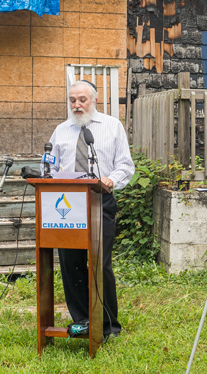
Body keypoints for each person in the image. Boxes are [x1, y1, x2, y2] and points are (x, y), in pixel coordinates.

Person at [46, 80, 135, 338]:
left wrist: (111, 180)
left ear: (94, 101)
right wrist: (49, 177)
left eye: (82, 100)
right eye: (72, 100)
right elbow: (49, 165)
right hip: (66, 208)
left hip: (100, 202)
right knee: (71, 264)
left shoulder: (111, 127)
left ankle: (109, 325)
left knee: (100, 264)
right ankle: (83, 320)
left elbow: (125, 166)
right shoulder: (61, 131)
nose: (76, 105)